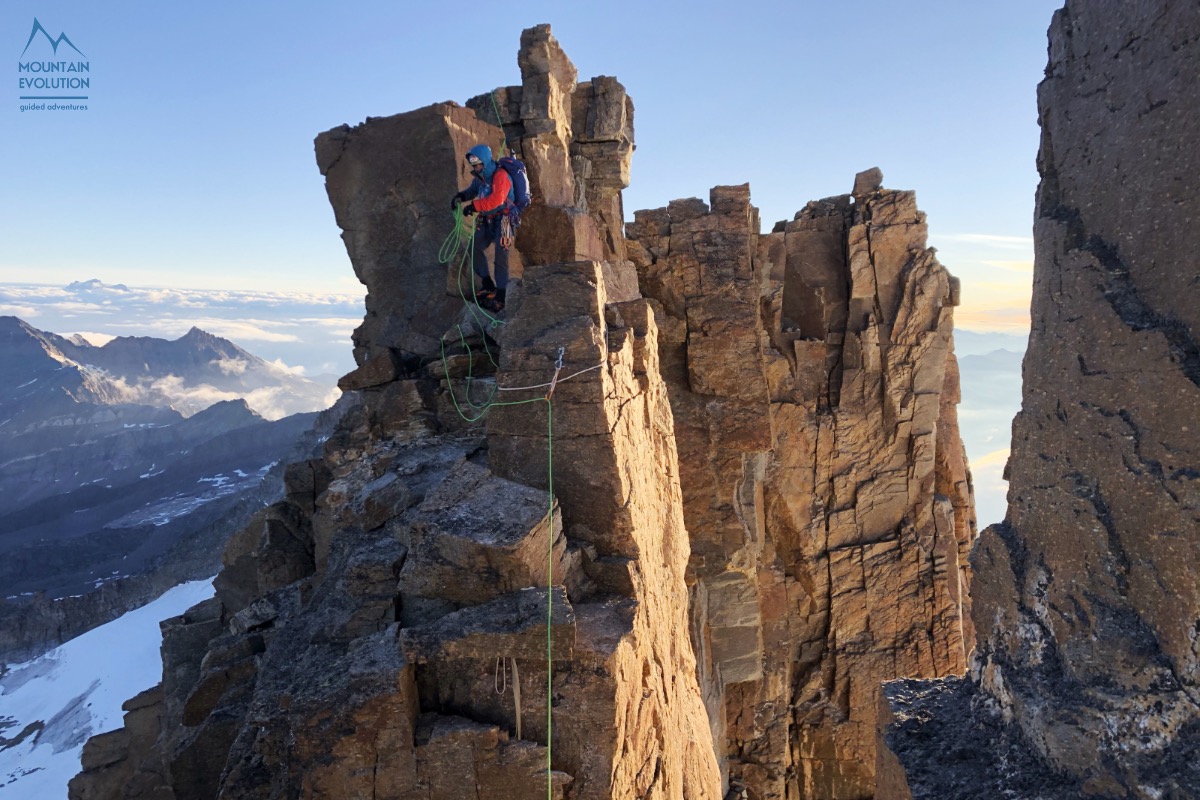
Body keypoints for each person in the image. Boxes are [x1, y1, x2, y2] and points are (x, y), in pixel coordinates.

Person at [451, 144, 514, 311]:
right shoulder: (480, 178)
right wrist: (460, 197)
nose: (476, 167)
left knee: (501, 255)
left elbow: (497, 200)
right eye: (474, 165)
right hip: (487, 220)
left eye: (478, 164)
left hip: (505, 220)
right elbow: (472, 191)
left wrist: (474, 206)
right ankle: (487, 283)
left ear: (485, 161)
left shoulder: (500, 175)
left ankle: (501, 293)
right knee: (474, 247)